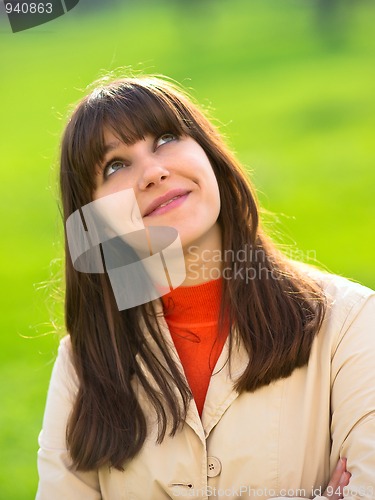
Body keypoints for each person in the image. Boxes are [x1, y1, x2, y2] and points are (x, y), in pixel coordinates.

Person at [37, 76, 375, 499]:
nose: (153, 172)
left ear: (211, 155)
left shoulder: (349, 322)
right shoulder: (82, 362)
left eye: (165, 138)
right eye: (116, 166)